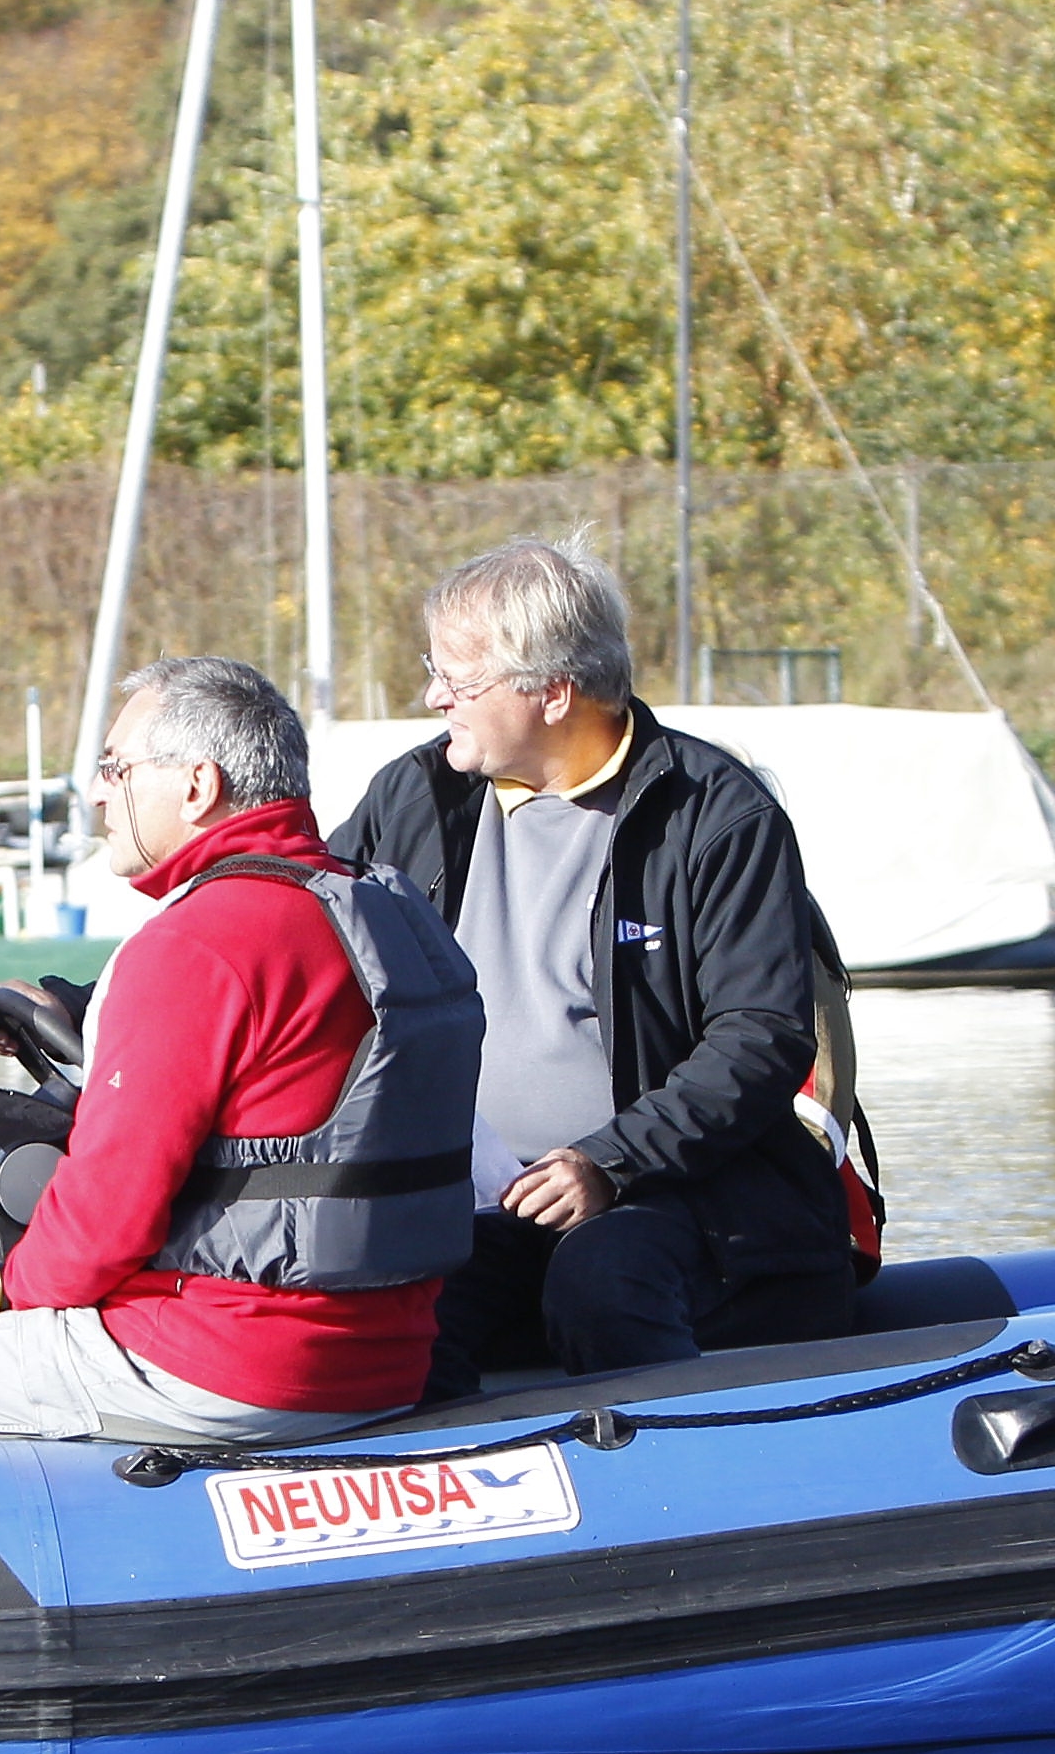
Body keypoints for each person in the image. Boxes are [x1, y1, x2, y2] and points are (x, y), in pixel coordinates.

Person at [0, 657, 480, 1446]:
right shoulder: (389, 916)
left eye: (115, 768)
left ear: (197, 786)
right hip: (389, 1360)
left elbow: (98, 1227)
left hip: (221, 1363)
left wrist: (7, 1292)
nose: (96, 793)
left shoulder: (195, 945)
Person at [324, 535, 853, 1385]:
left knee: (604, 1283)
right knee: (390, 1310)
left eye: (459, 681)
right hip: (476, 1203)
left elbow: (760, 1036)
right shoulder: (414, 795)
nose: (433, 698)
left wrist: (610, 1162)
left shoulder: (717, 814)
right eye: (435, 671)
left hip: (690, 1195)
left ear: (554, 692)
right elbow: (304, 942)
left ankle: (686, 1465)